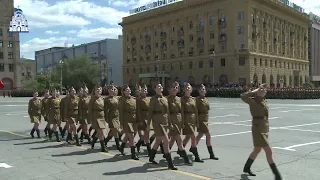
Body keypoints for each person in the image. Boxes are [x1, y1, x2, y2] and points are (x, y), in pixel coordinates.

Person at [240, 84, 282, 180]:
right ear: (257, 91)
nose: (263, 90)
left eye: (264, 89)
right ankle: (277, 175)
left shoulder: (264, 101)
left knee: (257, 149)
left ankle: (246, 168)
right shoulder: (252, 101)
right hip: (258, 128)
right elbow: (242, 96)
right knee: (268, 151)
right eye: (261, 89)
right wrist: (255, 91)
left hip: (264, 127)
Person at [148, 83, 177, 170]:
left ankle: (151, 157)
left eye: (161, 87)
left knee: (158, 141)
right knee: (166, 140)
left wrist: (170, 123)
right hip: (157, 122)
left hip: (164, 122)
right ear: (155, 89)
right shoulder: (153, 99)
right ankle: (170, 164)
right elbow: (150, 113)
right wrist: (148, 124)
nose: (160, 88)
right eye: (158, 87)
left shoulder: (165, 99)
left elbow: (167, 112)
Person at [167, 81, 192, 164]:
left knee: (173, 138)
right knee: (179, 140)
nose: (175, 89)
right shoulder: (167, 99)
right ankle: (186, 159)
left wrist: (183, 123)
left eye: (176, 87)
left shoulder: (179, 99)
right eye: (173, 87)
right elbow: (167, 113)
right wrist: (169, 124)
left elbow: (181, 111)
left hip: (178, 122)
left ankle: (166, 153)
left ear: (178, 90)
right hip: (172, 122)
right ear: (170, 89)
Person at [195, 84, 219, 160]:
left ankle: (193, 147)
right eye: (201, 89)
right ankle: (211, 154)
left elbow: (207, 111)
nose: (203, 91)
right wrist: (197, 122)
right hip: (201, 120)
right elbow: (196, 111)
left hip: (205, 120)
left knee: (200, 135)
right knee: (208, 135)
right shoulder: (197, 100)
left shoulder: (206, 99)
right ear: (199, 91)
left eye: (204, 89)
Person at [182, 83, 203, 163]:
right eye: (186, 88)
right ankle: (196, 155)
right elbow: (182, 112)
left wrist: (197, 121)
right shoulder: (182, 100)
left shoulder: (193, 99)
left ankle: (181, 149)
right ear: (184, 90)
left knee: (188, 136)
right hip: (186, 120)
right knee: (193, 137)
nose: (187, 89)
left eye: (189, 88)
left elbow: (196, 111)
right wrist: (183, 122)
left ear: (191, 90)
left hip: (193, 120)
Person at [119, 85, 139, 160]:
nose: (128, 90)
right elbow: (121, 112)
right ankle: (133, 153)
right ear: (124, 92)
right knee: (131, 136)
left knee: (128, 135)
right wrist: (121, 123)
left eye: (129, 89)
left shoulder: (133, 99)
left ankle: (121, 147)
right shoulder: (122, 100)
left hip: (134, 119)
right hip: (126, 120)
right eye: (126, 90)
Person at [89, 86, 108, 152]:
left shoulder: (102, 99)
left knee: (99, 132)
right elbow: (90, 110)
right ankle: (103, 147)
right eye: (97, 89)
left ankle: (93, 142)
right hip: (95, 117)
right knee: (101, 132)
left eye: (99, 89)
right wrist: (91, 119)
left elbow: (104, 109)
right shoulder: (92, 99)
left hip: (101, 116)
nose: (98, 91)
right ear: (94, 91)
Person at [103, 85, 121, 152]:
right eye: (110, 89)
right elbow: (105, 110)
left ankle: (105, 141)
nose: (111, 90)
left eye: (113, 89)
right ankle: (118, 147)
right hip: (110, 116)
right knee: (115, 131)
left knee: (113, 132)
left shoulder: (116, 98)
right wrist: (106, 119)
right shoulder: (106, 99)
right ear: (108, 91)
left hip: (116, 116)